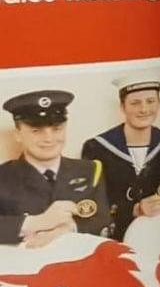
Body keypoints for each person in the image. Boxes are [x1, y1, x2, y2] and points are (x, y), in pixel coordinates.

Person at [78, 74, 160, 240]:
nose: (144, 109)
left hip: (157, 230)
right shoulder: (96, 147)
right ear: (122, 107)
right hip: (114, 234)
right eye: (135, 103)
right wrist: (135, 209)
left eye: (151, 101)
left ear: (159, 104)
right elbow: (90, 200)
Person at [0, 91, 115, 247]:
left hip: (78, 258)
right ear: (18, 134)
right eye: (36, 131)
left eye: (56, 129)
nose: (49, 139)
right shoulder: (3, 176)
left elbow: (103, 220)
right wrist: (37, 222)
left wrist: (68, 229)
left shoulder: (90, 170)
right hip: (25, 260)